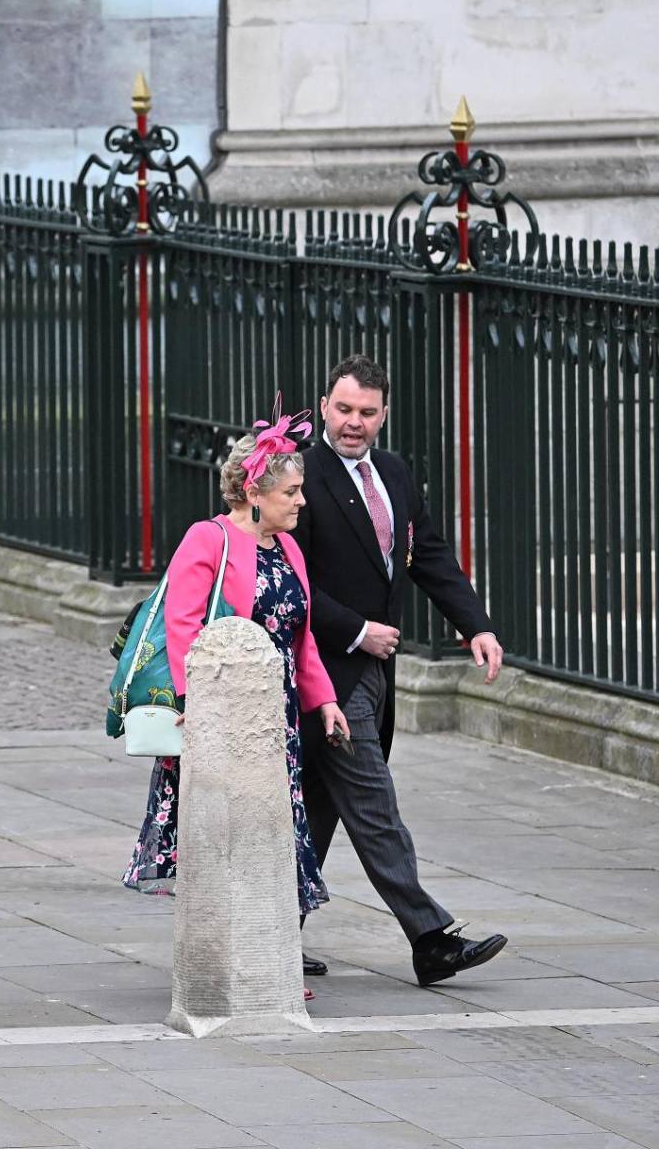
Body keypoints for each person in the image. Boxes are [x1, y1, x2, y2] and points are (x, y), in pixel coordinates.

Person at [293, 355, 509, 986]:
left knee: (321, 807)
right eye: (342, 409)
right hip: (326, 672)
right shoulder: (297, 474)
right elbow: (290, 579)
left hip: (370, 678)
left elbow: (429, 555)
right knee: (372, 801)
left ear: (383, 414)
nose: (352, 423)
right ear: (324, 406)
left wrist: (477, 625)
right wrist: (356, 630)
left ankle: (270, 932)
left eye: (366, 412)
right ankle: (430, 938)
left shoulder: (393, 471)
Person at [124, 408, 350, 950]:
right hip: (220, 714)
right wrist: (191, 698)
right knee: (232, 836)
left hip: (278, 720)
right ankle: (238, 953)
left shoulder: (288, 546)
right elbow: (181, 624)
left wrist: (325, 701)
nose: (301, 501)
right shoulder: (208, 539)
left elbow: (302, 636)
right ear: (256, 490)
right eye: (292, 491)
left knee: (271, 835)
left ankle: (269, 952)